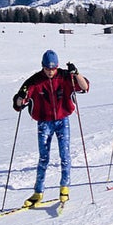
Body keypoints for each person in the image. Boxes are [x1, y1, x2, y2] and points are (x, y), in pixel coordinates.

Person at [12, 49, 90, 208]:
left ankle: (64, 187)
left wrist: (76, 74)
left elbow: (85, 87)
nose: (50, 72)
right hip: (44, 123)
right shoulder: (34, 81)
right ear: (42, 67)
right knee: (43, 158)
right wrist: (21, 96)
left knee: (65, 155)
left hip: (63, 120)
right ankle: (38, 192)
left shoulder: (65, 76)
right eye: (47, 68)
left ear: (57, 67)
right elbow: (18, 105)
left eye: (53, 68)